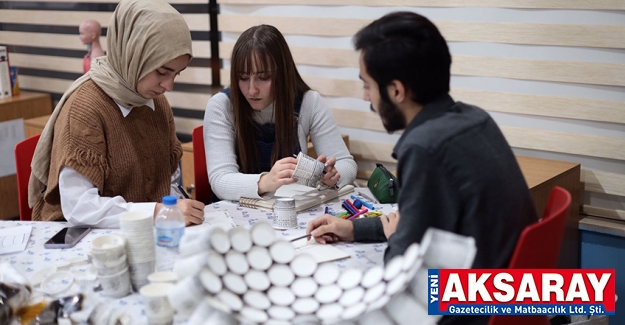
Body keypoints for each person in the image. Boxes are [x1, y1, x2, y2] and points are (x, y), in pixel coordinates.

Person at [307, 12, 537, 322]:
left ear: (396, 91)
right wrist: (353, 228)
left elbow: (402, 272)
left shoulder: (425, 148)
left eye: (368, 86)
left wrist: (393, 240)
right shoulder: (474, 119)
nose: (367, 99)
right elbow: (417, 223)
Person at [28, 0, 205, 228]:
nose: (169, 85)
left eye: (176, 74)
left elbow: (166, 182)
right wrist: (157, 212)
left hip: (139, 234)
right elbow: (80, 208)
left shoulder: (157, 103)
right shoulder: (86, 108)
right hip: (80, 239)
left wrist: (179, 206)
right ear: (132, 53)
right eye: (162, 71)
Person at [203, 24, 357, 201]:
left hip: (290, 209)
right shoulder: (221, 106)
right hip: (234, 213)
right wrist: (266, 181)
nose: (252, 90)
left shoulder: (309, 102)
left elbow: (348, 165)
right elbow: (220, 180)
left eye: (263, 78)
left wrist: (332, 175)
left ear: (282, 73)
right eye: (243, 78)